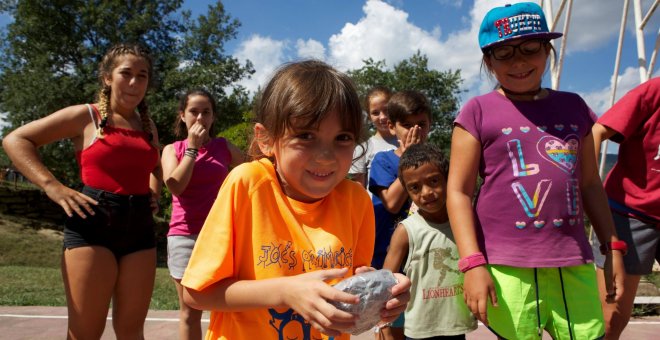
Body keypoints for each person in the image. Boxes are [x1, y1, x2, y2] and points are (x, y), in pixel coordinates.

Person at [179, 60, 411, 340]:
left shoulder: (356, 201)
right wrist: (286, 291)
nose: (325, 155)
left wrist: (381, 292)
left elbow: (352, 280)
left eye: (342, 137)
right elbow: (197, 292)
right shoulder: (248, 184)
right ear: (266, 139)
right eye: (305, 135)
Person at [446, 3, 626, 339]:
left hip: (573, 260)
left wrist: (611, 246)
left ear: (548, 50)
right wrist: (472, 263)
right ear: (488, 60)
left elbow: (588, 183)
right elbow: (457, 191)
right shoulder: (477, 111)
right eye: (503, 52)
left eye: (530, 48)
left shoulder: (574, 107)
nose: (519, 61)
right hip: (505, 265)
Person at [2, 43, 161, 339]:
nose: (134, 82)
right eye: (126, 73)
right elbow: (16, 140)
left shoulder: (148, 126)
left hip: (140, 227)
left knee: (131, 331)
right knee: (86, 331)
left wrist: (155, 191)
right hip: (92, 223)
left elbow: (156, 166)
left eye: (142, 76)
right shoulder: (86, 117)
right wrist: (53, 187)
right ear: (107, 78)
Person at [161, 88, 246, 340]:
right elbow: (175, 184)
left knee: (231, 307)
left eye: (206, 112)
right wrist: (192, 149)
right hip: (184, 236)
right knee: (190, 311)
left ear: (213, 117)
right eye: (193, 112)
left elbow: (253, 172)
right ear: (182, 116)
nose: (200, 118)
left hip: (221, 236)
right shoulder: (171, 149)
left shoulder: (223, 147)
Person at [382, 143, 477, 340]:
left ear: (448, 178)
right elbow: (387, 282)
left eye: (433, 181)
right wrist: (383, 325)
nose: (426, 192)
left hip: (455, 326)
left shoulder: (464, 224)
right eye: (415, 187)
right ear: (407, 191)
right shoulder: (405, 231)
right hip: (418, 330)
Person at [590, 77, 660, 339]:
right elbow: (598, 131)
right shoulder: (655, 90)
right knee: (611, 318)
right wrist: (587, 189)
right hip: (629, 213)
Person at [369, 90, 431, 340]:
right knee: (391, 326)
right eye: (406, 125)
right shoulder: (384, 161)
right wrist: (408, 158)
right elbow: (393, 203)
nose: (414, 130)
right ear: (392, 128)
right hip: (389, 261)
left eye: (421, 124)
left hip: (424, 264)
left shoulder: (435, 161)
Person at [350, 86, 398, 188]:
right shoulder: (362, 149)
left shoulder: (408, 142)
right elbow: (358, 188)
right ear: (369, 117)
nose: (383, 117)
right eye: (375, 113)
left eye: (386, 110)